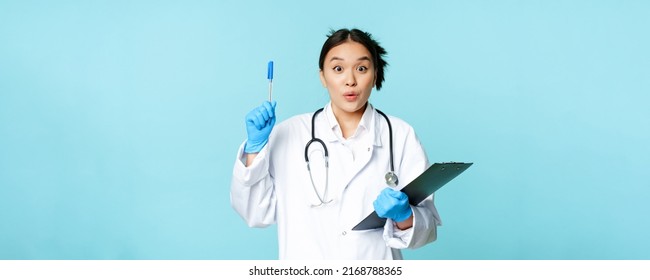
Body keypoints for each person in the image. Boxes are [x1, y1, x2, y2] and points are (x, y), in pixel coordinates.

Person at [230, 28, 441, 260]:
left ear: (375, 74)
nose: (350, 81)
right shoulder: (290, 133)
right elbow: (256, 213)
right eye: (338, 69)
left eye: (361, 68)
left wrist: (404, 216)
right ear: (323, 76)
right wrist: (255, 149)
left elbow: (426, 231)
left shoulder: (400, 135)